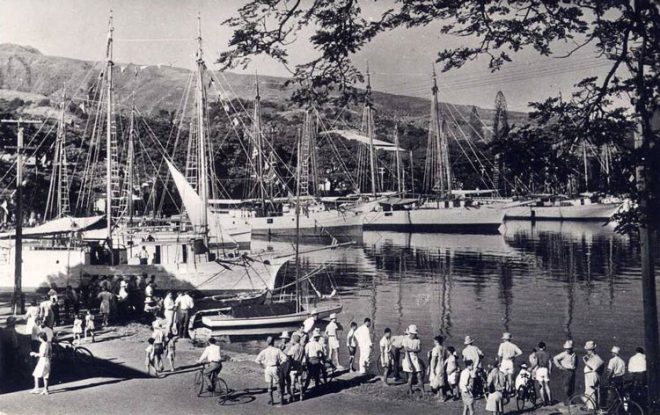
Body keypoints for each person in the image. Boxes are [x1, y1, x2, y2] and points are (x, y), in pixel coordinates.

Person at [256, 335, 288, 406]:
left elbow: (257, 361)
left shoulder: (264, 351)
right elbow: (285, 358)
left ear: (267, 342)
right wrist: (280, 364)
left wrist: (263, 366)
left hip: (267, 368)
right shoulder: (277, 350)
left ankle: (271, 401)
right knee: (278, 384)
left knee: (269, 384)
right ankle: (281, 400)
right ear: (273, 342)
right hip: (275, 367)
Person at [402, 324, 425, 394]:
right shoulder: (405, 339)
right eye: (414, 334)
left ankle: (423, 391)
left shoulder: (418, 340)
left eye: (415, 334)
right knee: (410, 375)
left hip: (415, 358)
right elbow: (406, 350)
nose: (415, 335)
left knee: (419, 375)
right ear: (411, 333)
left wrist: (410, 350)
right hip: (408, 358)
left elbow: (419, 349)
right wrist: (409, 363)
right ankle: (410, 390)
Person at [303, 328, 326, 396]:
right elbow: (321, 354)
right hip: (317, 360)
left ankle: (305, 388)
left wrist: (307, 361)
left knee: (309, 376)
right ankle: (317, 389)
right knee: (317, 376)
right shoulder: (319, 345)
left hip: (310, 360)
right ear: (317, 338)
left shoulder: (308, 344)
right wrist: (323, 360)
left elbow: (306, 354)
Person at [582, 340, 604, 409]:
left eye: (587, 350)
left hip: (591, 376)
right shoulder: (597, 357)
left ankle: (591, 407)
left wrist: (585, 361)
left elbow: (591, 367)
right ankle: (594, 406)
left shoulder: (595, 357)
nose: (587, 351)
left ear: (590, 350)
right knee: (594, 391)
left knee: (590, 391)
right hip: (595, 376)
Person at [286, 333, 305, 401]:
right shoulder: (302, 347)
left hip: (293, 366)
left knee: (292, 382)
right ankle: (301, 396)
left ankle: (293, 397)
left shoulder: (293, 348)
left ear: (294, 340)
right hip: (299, 365)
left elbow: (288, 356)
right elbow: (303, 356)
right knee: (300, 381)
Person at [533, 341, 552, 405]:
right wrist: (550, 370)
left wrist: (532, 368)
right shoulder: (548, 353)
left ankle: (544, 401)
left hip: (539, 370)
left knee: (541, 386)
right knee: (547, 386)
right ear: (544, 347)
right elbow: (550, 363)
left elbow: (535, 363)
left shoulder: (537, 353)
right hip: (545, 369)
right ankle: (550, 400)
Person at [277, 331, 292, 402]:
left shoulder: (289, 345)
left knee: (283, 378)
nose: (283, 339)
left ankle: (283, 393)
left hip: (285, 363)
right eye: (282, 338)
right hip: (284, 363)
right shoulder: (282, 345)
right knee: (284, 379)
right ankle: (285, 393)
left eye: (284, 338)